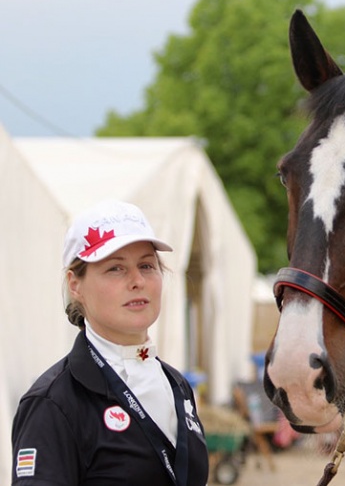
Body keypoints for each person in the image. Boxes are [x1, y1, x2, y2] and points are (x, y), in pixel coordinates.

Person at [11, 200, 209, 485]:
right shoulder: (54, 402)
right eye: (116, 268)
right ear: (75, 284)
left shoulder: (176, 384)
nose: (137, 280)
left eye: (147, 265)